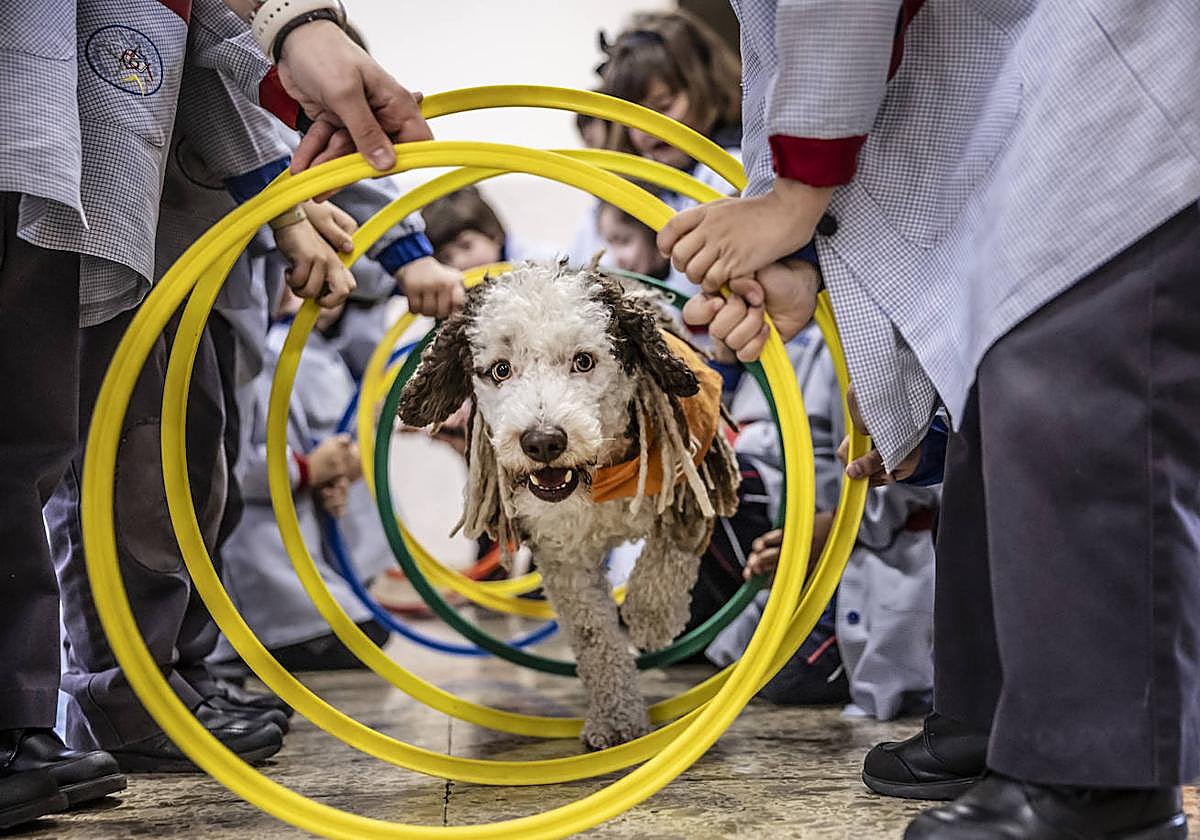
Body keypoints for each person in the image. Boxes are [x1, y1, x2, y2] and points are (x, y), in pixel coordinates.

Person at [660, 2, 1200, 837]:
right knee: (999, 390)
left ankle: (1099, 773)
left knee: (1069, 361)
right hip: (1024, 86)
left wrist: (795, 196)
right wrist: (796, 239)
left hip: (1127, 63)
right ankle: (996, 714)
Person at [0, 0, 434, 828]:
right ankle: (121, 692)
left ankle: (124, 687)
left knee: (143, 464)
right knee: (110, 469)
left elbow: (207, 68)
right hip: (92, 188)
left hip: (103, 191)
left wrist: (293, 35)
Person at [701, 325, 939, 718]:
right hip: (827, 521)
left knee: (783, 679)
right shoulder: (815, 338)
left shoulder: (882, 335)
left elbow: (908, 476)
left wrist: (830, 532)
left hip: (889, 549)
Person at [568, 10, 743, 269]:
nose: (648, 129)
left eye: (664, 106)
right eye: (632, 118)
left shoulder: (729, 173)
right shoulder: (643, 181)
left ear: (707, 89)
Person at [421, 186, 552, 271]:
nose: (458, 262)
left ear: (494, 235)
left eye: (466, 246)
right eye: (446, 258)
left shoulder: (538, 263)